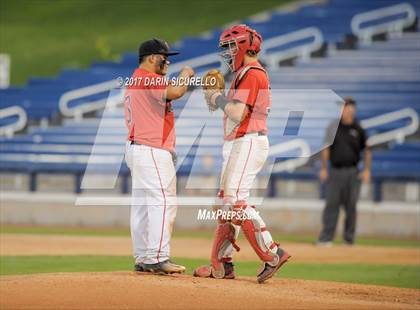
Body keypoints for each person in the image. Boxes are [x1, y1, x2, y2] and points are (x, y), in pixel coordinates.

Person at [193, 24, 290, 284]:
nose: (227, 52)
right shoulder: (244, 73)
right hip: (241, 142)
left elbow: (237, 113)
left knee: (235, 202)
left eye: (231, 46)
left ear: (245, 46)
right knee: (224, 204)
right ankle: (222, 264)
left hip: (248, 141)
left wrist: (216, 99)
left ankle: (272, 254)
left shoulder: (253, 73)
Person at [124, 38, 194, 273]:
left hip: (139, 147)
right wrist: (186, 74)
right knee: (163, 202)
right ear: (152, 57)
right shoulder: (148, 77)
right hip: (151, 148)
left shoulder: (137, 77)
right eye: (165, 57)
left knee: (143, 206)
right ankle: (157, 257)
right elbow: (175, 91)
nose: (168, 62)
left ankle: (144, 256)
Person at [317, 97, 371, 246]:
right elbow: (326, 148)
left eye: (349, 107)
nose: (346, 110)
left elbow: (367, 150)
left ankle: (348, 239)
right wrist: (323, 168)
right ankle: (326, 238)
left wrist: (366, 170)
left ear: (353, 110)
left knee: (351, 206)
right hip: (335, 171)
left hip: (353, 172)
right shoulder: (333, 128)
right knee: (332, 205)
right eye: (344, 107)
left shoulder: (359, 129)